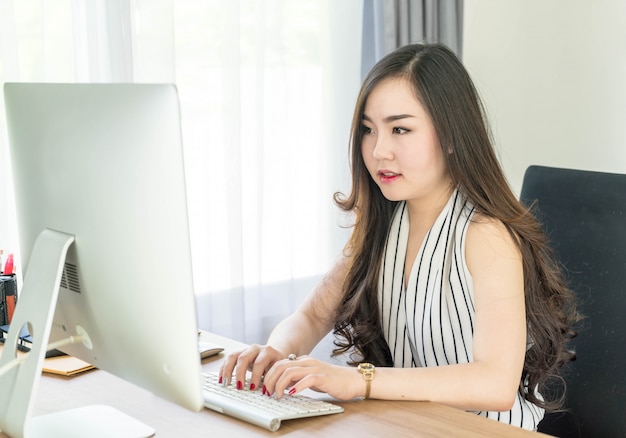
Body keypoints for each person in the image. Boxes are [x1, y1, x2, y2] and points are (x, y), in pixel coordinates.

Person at [219, 43, 579, 431]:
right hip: (409, 426)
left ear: (452, 135)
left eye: (400, 129)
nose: (379, 151)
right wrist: (275, 354)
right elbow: (311, 315)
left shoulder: (485, 234)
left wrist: (360, 381)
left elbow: (495, 383)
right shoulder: (382, 222)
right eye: (369, 130)